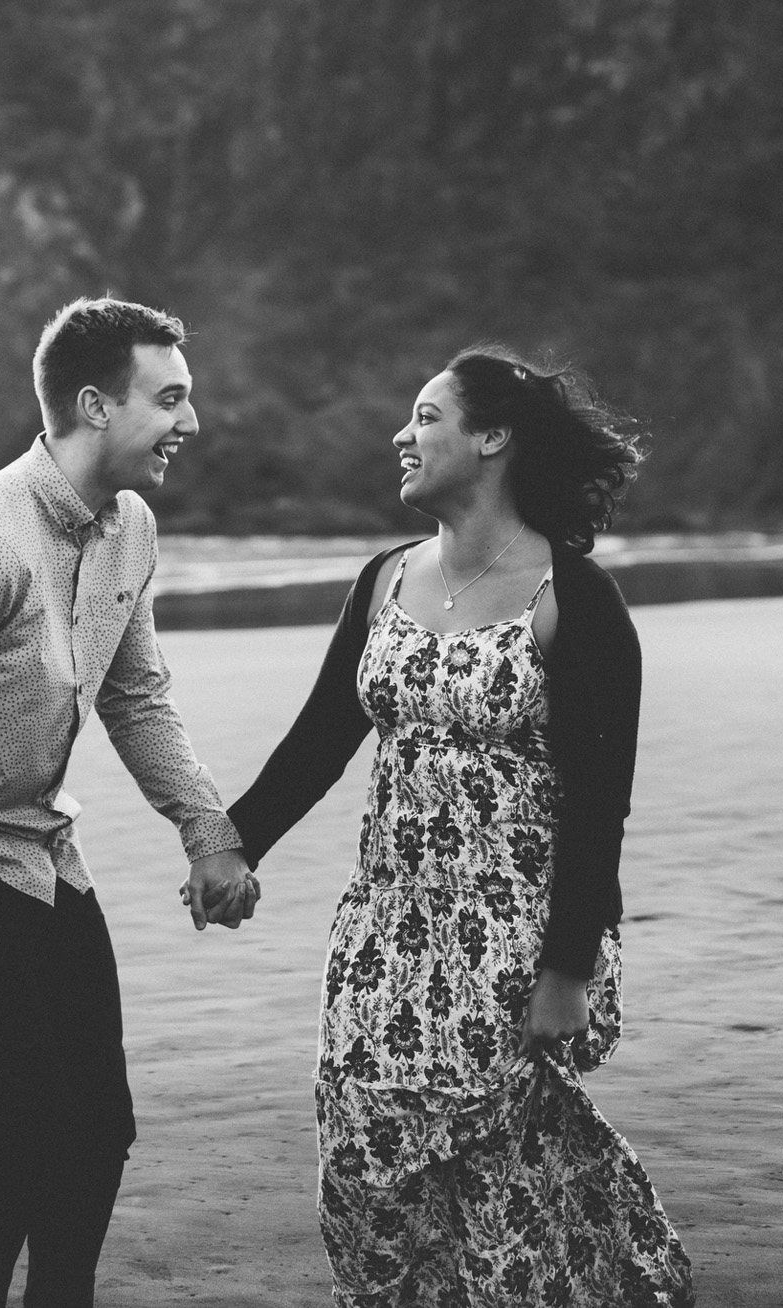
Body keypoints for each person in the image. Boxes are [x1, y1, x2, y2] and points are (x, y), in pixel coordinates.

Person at [228, 345, 694, 1306]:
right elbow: (320, 740)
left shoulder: (574, 599)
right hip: (382, 935)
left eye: (427, 416)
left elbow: (600, 805)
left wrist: (566, 970)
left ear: (493, 437)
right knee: (362, 1176)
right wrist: (229, 845)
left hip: (510, 943)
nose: (403, 435)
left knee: (503, 1202)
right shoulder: (385, 579)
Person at [0, 296, 258, 1308]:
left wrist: (208, 833)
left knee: (99, 1130)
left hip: (44, 859)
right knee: (26, 1132)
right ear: (94, 405)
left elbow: (135, 696)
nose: (191, 421)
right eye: (170, 398)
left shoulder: (130, 527)